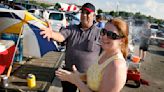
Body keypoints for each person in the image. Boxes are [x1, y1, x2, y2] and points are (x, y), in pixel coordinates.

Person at [55, 18, 129, 92]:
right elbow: (95, 76)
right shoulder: (106, 52)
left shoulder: (117, 66)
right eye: (104, 31)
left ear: (122, 40)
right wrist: (78, 76)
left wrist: (76, 81)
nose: (104, 37)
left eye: (111, 35)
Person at [40, 3, 101, 92]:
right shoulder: (71, 29)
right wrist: (52, 34)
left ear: (94, 16)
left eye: (87, 13)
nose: (84, 15)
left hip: (89, 77)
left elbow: (106, 53)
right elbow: (61, 36)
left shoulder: (100, 33)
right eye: (82, 12)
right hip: (69, 74)